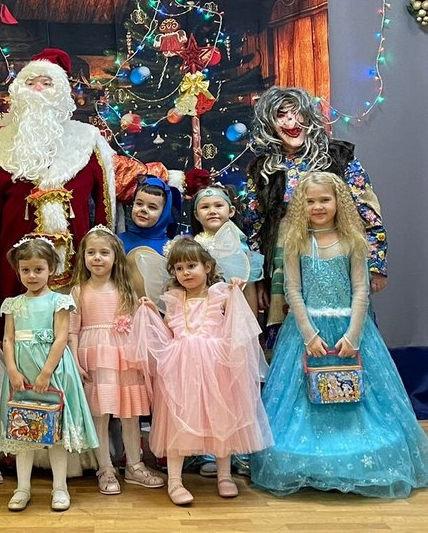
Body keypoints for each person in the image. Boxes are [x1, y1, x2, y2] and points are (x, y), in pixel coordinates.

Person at [0, 48, 178, 323]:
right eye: (30, 83)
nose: (38, 89)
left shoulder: (87, 140)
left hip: (79, 263)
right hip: (16, 270)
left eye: (47, 83)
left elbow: (124, 177)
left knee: (74, 326)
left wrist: (174, 178)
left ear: (61, 92)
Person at [250, 172, 428, 498]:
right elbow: (293, 292)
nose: (318, 206)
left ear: (339, 202)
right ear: (301, 206)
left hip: (350, 331)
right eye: (310, 201)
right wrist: (309, 334)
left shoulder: (353, 241)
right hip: (307, 334)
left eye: (325, 200)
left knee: (361, 396)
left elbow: (360, 291)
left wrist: (353, 335)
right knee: (302, 398)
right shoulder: (297, 242)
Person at [241, 87, 387, 325]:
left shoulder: (338, 157)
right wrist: (259, 281)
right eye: (281, 115)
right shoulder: (262, 169)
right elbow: (253, 227)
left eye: (297, 112)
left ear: (309, 116)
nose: (291, 121)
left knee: (340, 330)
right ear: (269, 124)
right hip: (284, 266)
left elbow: (369, 214)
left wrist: (375, 265)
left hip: (337, 261)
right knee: (294, 335)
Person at [142, 237, 270, 506]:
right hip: (181, 368)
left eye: (191, 266)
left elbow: (238, 327)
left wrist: (236, 293)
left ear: (208, 267)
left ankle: (224, 475)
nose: (185, 273)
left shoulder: (220, 295)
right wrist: (153, 313)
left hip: (215, 367)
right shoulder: (174, 299)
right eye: (179, 268)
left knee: (220, 418)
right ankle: (175, 480)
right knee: (177, 419)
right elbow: (168, 333)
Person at [0, 237, 99, 512]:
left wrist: (45, 373)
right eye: (26, 270)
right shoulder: (13, 304)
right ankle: (22, 488)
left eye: (38, 269)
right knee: (23, 429)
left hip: (52, 371)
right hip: (21, 372)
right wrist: (12, 369)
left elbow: (61, 338)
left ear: (51, 269)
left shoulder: (59, 301)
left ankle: (59, 487)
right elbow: (8, 339)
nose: (32, 275)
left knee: (54, 430)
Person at [69, 225, 164, 495]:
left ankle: (134, 465)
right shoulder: (78, 291)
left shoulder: (125, 289)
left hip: (125, 355)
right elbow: (72, 330)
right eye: (91, 252)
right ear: (83, 256)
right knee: (100, 414)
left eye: (104, 252)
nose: (97, 258)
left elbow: (139, 325)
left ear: (115, 257)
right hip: (95, 356)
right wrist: (75, 360)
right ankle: (105, 468)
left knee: (130, 412)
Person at [187, 171, 263, 318]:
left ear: (231, 211)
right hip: (201, 319)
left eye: (218, 206)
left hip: (234, 317)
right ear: (196, 215)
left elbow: (248, 291)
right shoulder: (192, 248)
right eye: (205, 207)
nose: (212, 211)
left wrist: (251, 326)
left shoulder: (241, 249)